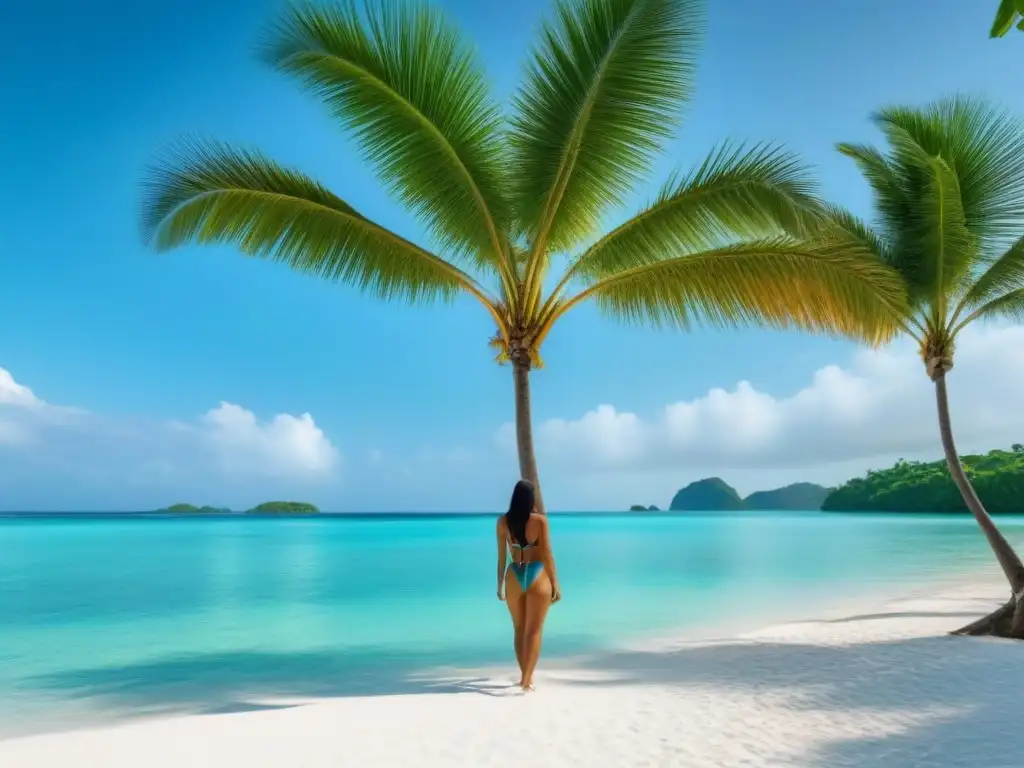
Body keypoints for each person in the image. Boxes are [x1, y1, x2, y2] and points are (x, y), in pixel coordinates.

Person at [496, 479, 561, 691]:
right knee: (534, 631)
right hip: (537, 573)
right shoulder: (540, 521)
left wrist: (499, 586)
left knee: (519, 629)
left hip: (514, 574)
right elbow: (547, 554)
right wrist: (555, 584)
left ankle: (523, 675)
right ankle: (527, 680)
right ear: (531, 498)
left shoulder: (503, 522)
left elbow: (502, 557)